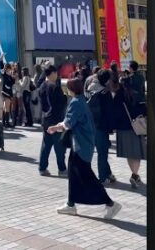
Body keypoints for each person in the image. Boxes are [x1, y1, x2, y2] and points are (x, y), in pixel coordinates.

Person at [47, 77, 122, 220]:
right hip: (83, 145)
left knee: (86, 177)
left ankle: (110, 203)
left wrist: (54, 128)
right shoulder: (81, 100)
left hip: (80, 146)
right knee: (75, 175)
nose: (66, 90)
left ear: (71, 89)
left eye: (67, 87)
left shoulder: (75, 103)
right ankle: (71, 204)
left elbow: (68, 123)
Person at [113, 74, 146, 189]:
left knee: (129, 153)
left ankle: (134, 174)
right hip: (136, 127)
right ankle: (135, 175)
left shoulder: (118, 96)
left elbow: (115, 112)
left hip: (123, 128)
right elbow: (143, 110)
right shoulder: (137, 94)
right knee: (137, 153)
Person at [38, 65, 67, 176]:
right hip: (55, 119)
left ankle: (42, 167)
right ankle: (62, 169)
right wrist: (65, 97)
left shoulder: (42, 87)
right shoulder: (54, 87)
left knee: (46, 145)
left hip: (45, 118)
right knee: (59, 146)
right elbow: (60, 103)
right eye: (56, 73)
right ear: (53, 73)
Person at [89, 70, 117, 184]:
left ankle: (108, 174)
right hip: (101, 126)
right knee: (102, 152)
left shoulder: (90, 88)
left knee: (102, 151)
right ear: (106, 80)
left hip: (92, 125)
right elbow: (110, 112)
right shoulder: (105, 94)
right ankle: (102, 177)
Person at [1, 63, 17, 129]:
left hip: (8, 93)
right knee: (7, 108)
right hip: (6, 93)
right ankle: (6, 123)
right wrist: (0, 60)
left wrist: (13, 77)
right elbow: (1, 67)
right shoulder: (4, 74)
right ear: (7, 69)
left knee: (5, 107)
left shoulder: (9, 76)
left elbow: (12, 83)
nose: (10, 70)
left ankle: (4, 122)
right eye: (10, 69)